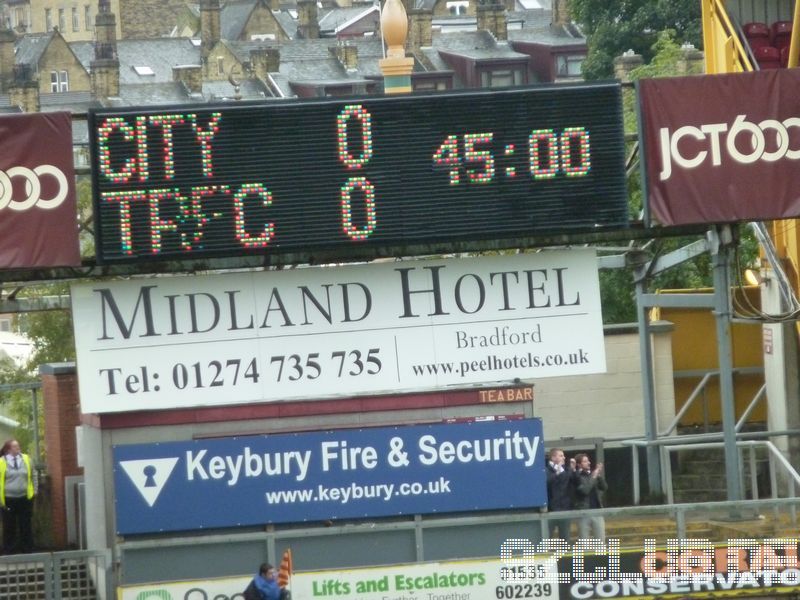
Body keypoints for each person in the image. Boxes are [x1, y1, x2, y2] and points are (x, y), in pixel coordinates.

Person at [0, 439, 36, 554]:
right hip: (8, 499)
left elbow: (33, 474)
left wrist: (35, 490)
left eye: (18, 446)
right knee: (9, 525)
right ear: (9, 449)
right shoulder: (1, 461)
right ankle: (9, 550)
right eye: (15, 446)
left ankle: (27, 549)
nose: (18, 448)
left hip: (24, 498)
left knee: (25, 524)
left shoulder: (26, 459)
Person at [573, 453, 607, 543]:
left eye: (588, 460)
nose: (588, 463)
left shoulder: (593, 474)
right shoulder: (577, 476)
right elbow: (585, 490)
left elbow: (604, 487)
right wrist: (594, 475)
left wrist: (598, 476)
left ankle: (600, 557)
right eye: (585, 461)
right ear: (579, 464)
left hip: (597, 510)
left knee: (601, 540)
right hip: (584, 512)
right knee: (584, 543)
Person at [545, 448, 575, 543]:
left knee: (565, 540)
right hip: (550, 510)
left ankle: (565, 558)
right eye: (561, 455)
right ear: (553, 457)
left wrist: (572, 469)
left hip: (565, 508)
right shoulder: (545, 470)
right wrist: (557, 472)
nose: (564, 457)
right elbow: (547, 482)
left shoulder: (565, 469)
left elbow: (571, 483)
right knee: (547, 539)